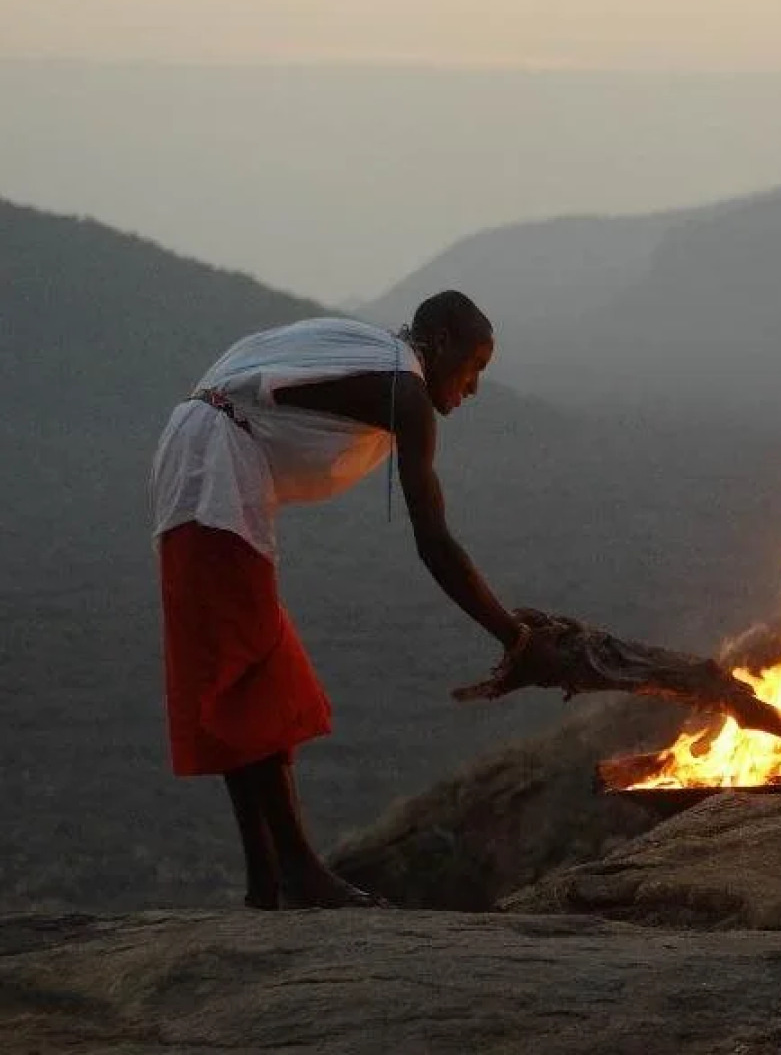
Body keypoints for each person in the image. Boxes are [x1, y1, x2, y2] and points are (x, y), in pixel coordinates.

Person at [150, 290, 551, 908]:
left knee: (249, 672)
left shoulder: (375, 357)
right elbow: (434, 542)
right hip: (212, 477)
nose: (472, 389)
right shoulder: (405, 391)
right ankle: (296, 873)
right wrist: (512, 635)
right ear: (440, 343)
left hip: (208, 469)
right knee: (252, 671)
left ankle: (269, 882)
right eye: (474, 369)